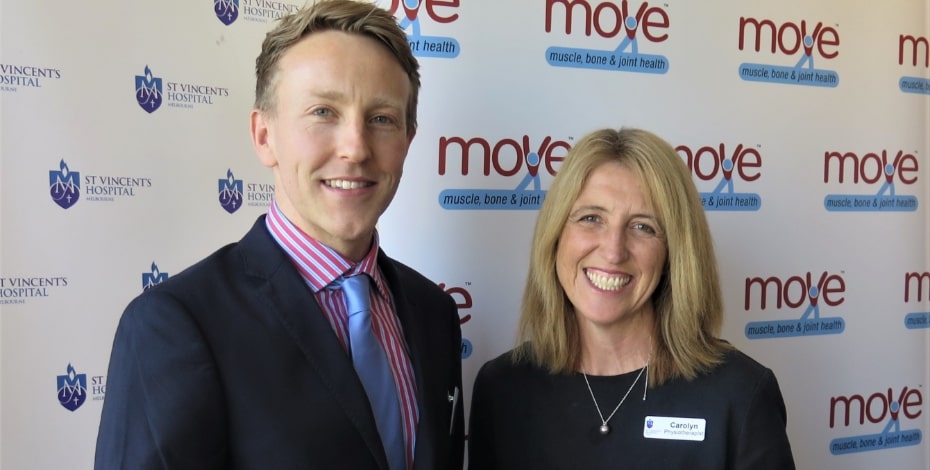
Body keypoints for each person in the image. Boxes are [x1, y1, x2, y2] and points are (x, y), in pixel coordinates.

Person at [94, 1, 465, 469]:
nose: (355, 147)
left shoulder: (434, 313)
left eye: (382, 118)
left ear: (408, 140)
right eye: (323, 112)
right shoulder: (176, 326)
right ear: (264, 135)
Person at [467, 128, 795, 469]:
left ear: (675, 253)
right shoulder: (502, 388)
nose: (613, 251)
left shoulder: (740, 394)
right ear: (555, 236)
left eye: (643, 227)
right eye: (591, 218)